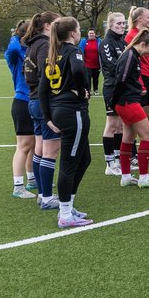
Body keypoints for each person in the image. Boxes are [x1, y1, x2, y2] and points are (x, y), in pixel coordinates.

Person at [38, 16, 94, 227]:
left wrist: (47, 117)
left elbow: (43, 90)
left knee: (84, 158)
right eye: (79, 29)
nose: (80, 32)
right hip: (73, 112)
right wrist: (82, 91)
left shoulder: (53, 54)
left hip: (61, 112)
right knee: (69, 164)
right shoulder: (73, 51)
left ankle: (68, 205)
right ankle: (65, 214)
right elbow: (79, 71)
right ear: (73, 33)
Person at [109, 29, 149, 189]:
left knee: (128, 138)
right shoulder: (130, 56)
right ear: (142, 44)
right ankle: (144, 177)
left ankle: (126, 176)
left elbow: (125, 79)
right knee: (147, 137)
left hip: (126, 101)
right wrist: (114, 100)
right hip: (128, 103)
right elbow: (121, 79)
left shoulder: (131, 55)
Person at [22, 11, 61, 210]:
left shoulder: (32, 45)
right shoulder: (45, 45)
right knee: (50, 151)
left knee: (39, 149)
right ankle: (46, 196)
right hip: (44, 102)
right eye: (56, 23)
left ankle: (42, 194)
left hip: (34, 101)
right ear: (47, 26)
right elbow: (48, 75)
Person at [4, 20, 36, 198]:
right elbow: (13, 49)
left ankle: (32, 180)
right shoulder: (15, 53)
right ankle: (18, 186)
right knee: (23, 146)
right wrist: (17, 36)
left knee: (33, 144)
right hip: (22, 102)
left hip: (33, 101)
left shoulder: (31, 50)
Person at [124, 7, 149, 157]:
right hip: (141, 79)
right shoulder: (131, 36)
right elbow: (131, 63)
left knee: (147, 116)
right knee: (137, 119)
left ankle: (145, 150)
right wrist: (141, 84)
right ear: (139, 19)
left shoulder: (146, 35)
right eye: (148, 17)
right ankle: (134, 152)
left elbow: (148, 61)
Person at [97, 12, 128, 176]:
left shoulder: (122, 42)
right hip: (112, 88)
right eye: (118, 24)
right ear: (110, 25)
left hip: (123, 88)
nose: (122, 26)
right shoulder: (106, 43)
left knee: (121, 125)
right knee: (112, 124)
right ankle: (109, 164)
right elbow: (111, 67)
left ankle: (118, 160)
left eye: (123, 23)